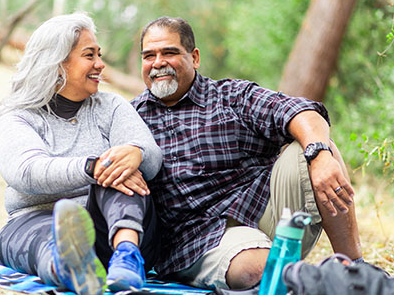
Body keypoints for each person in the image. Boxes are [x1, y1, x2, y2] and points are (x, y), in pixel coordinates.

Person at [131, 16, 363, 291]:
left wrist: (319, 153)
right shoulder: (131, 118)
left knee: (317, 148)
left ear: (194, 58)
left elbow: (300, 111)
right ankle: (301, 278)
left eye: (169, 52)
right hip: (198, 242)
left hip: (265, 211)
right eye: (149, 56)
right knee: (260, 270)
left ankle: (355, 269)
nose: (158, 63)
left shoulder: (230, 96)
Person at [0, 12, 163, 295]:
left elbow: (152, 158)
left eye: (99, 54)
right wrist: (91, 167)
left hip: (117, 230)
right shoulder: (19, 117)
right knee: (24, 241)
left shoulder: (111, 107)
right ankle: (70, 267)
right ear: (57, 63)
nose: (100, 64)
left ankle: (127, 257)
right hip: (35, 219)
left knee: (119, 171)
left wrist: (137, 153)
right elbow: (25, 171)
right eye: (89, 55)